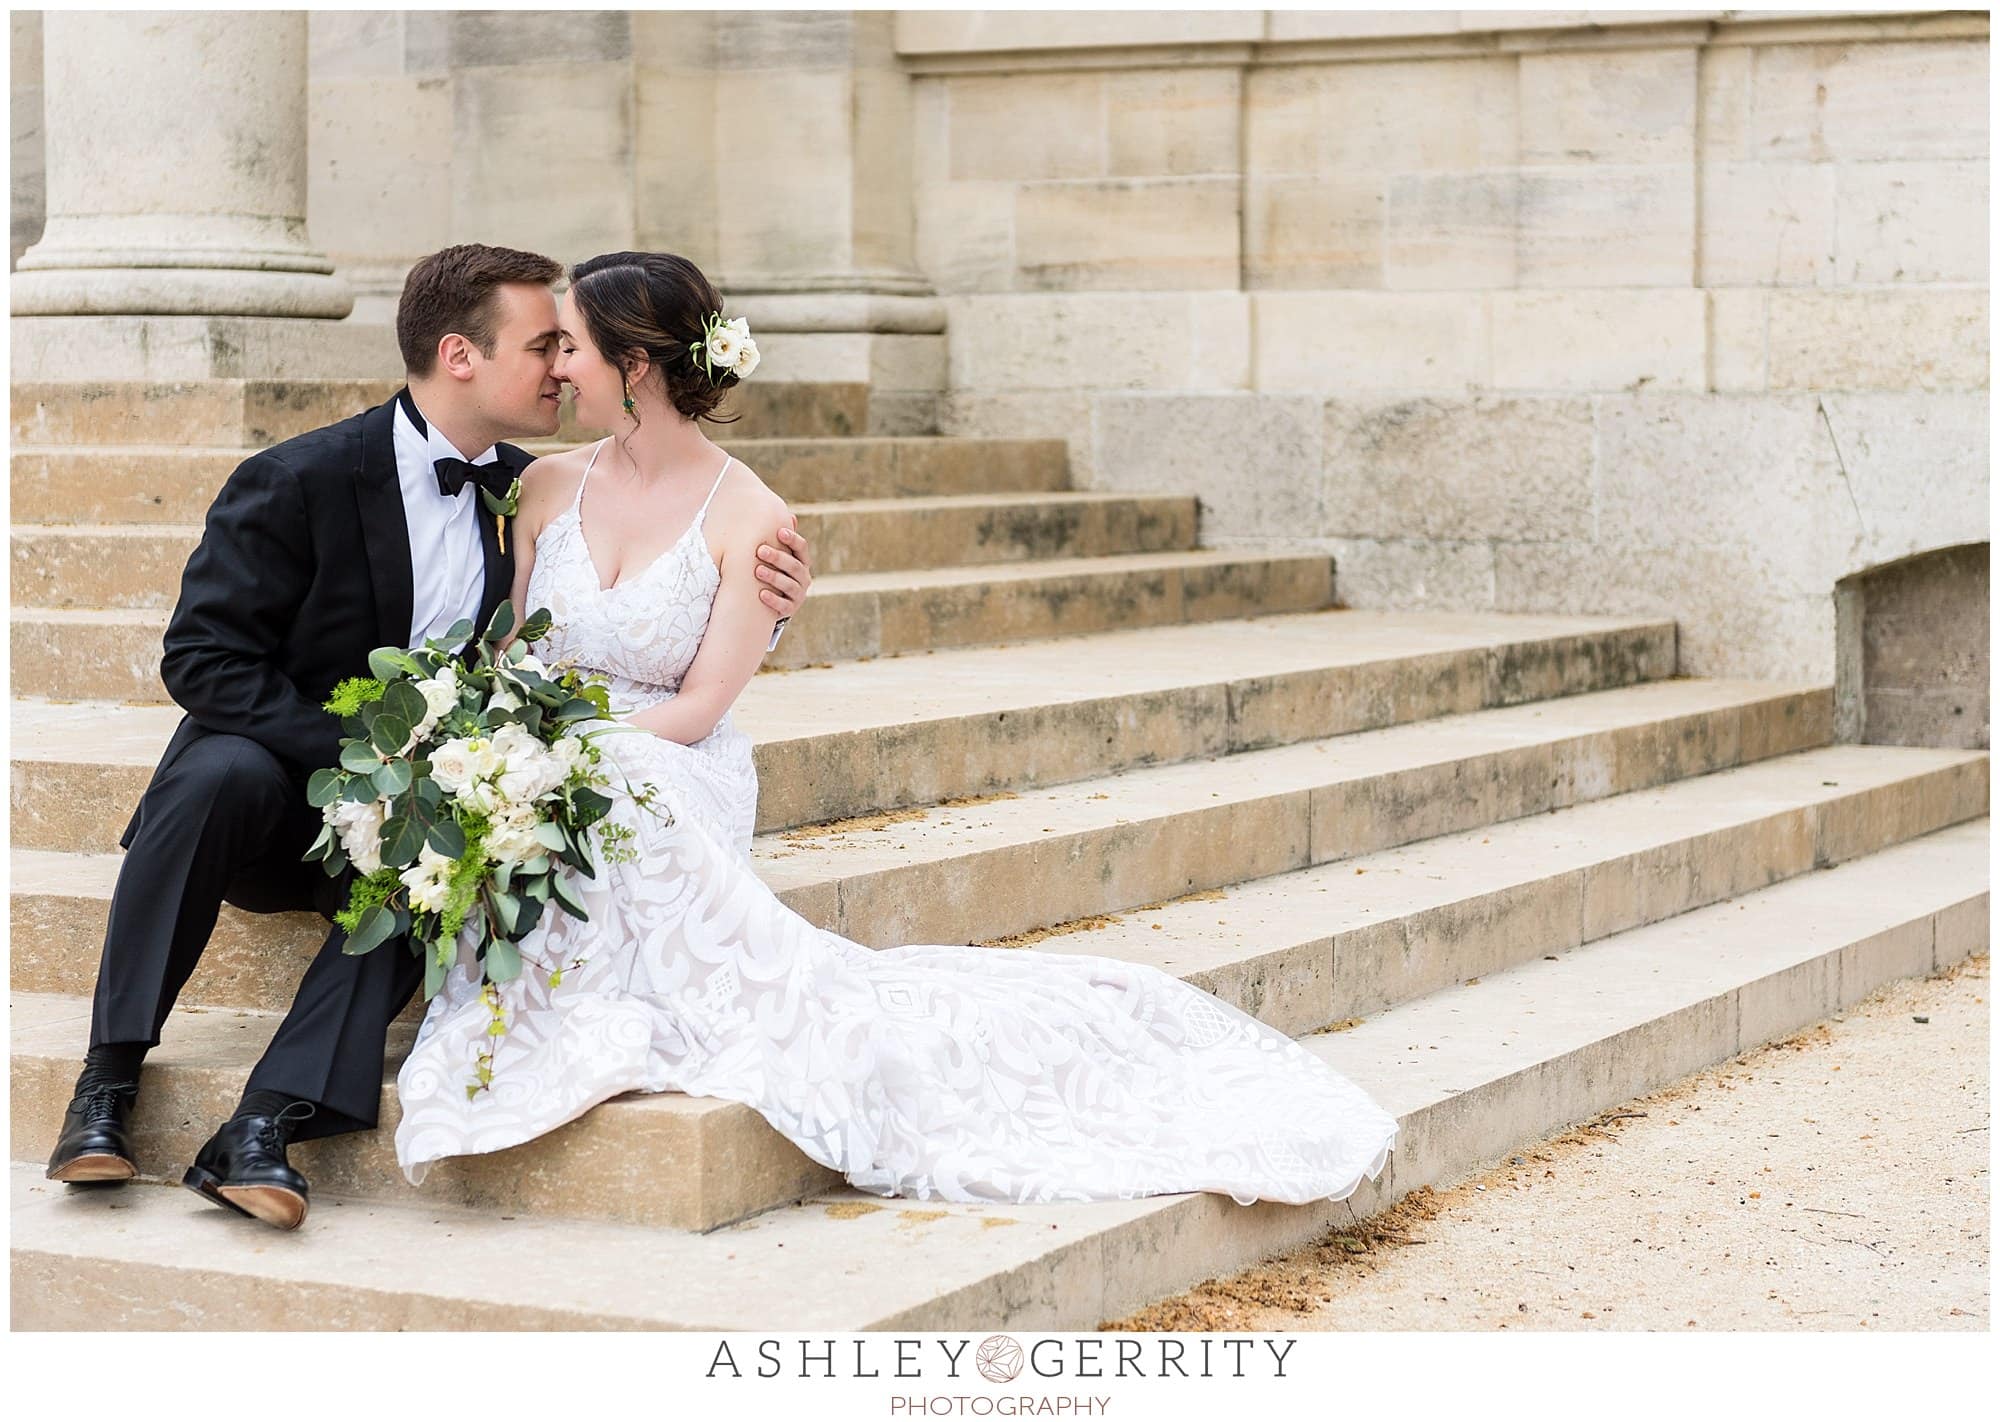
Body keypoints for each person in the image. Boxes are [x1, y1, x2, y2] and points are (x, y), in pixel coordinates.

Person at [393, 251, 1400, 1209]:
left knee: (626, 788)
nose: (556, 365)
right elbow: (506, 645)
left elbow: (703, 705)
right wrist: (504, 745)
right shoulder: (545, 487)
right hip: (559, 743)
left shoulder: (750, 513)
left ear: (636, 363)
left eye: (569, 345)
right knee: (572, 792)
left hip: (675, 755)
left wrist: (578, 751)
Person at [42, 243, 816, 1231]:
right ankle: (104, 1090)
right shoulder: (296, 478)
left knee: (451, 835)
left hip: (441, 792)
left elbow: (648, 588)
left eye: (564, 346)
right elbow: (200, 659)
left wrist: (773, 602)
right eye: (542, 345)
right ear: (460, 355)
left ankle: (264, 1127)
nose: (555, 367)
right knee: (215, 772)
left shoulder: (538, 488)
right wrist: (363, 752)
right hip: (285, 788)